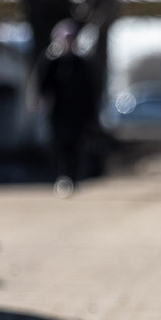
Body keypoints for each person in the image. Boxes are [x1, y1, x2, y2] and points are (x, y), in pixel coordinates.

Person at [38, 19, 98, 197]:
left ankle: (72, 178)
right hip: (58, 113)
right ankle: (61, 177)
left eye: (72, 39)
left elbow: (89, 92)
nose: (69, 42)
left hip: (78, 114)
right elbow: (44, 88)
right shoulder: (52, 63)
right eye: (66, 39)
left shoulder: (82, 65)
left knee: (75, 146)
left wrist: (92, 116)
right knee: (60, 145)